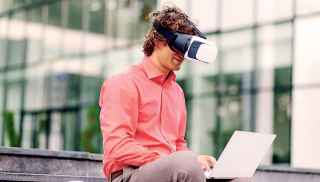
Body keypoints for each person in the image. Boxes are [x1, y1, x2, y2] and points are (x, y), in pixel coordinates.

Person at [99, 6, 249, 182]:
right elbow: (117, 146)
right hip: (130, 174)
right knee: (184, 163)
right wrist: (175, 161)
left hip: (173, 170)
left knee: (240, 178)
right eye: (179, 44)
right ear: (157, 40)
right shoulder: (123, 83)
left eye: (186, 49)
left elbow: (178, 144)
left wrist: (198, 162)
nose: (182, 54)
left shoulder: (176, 92)